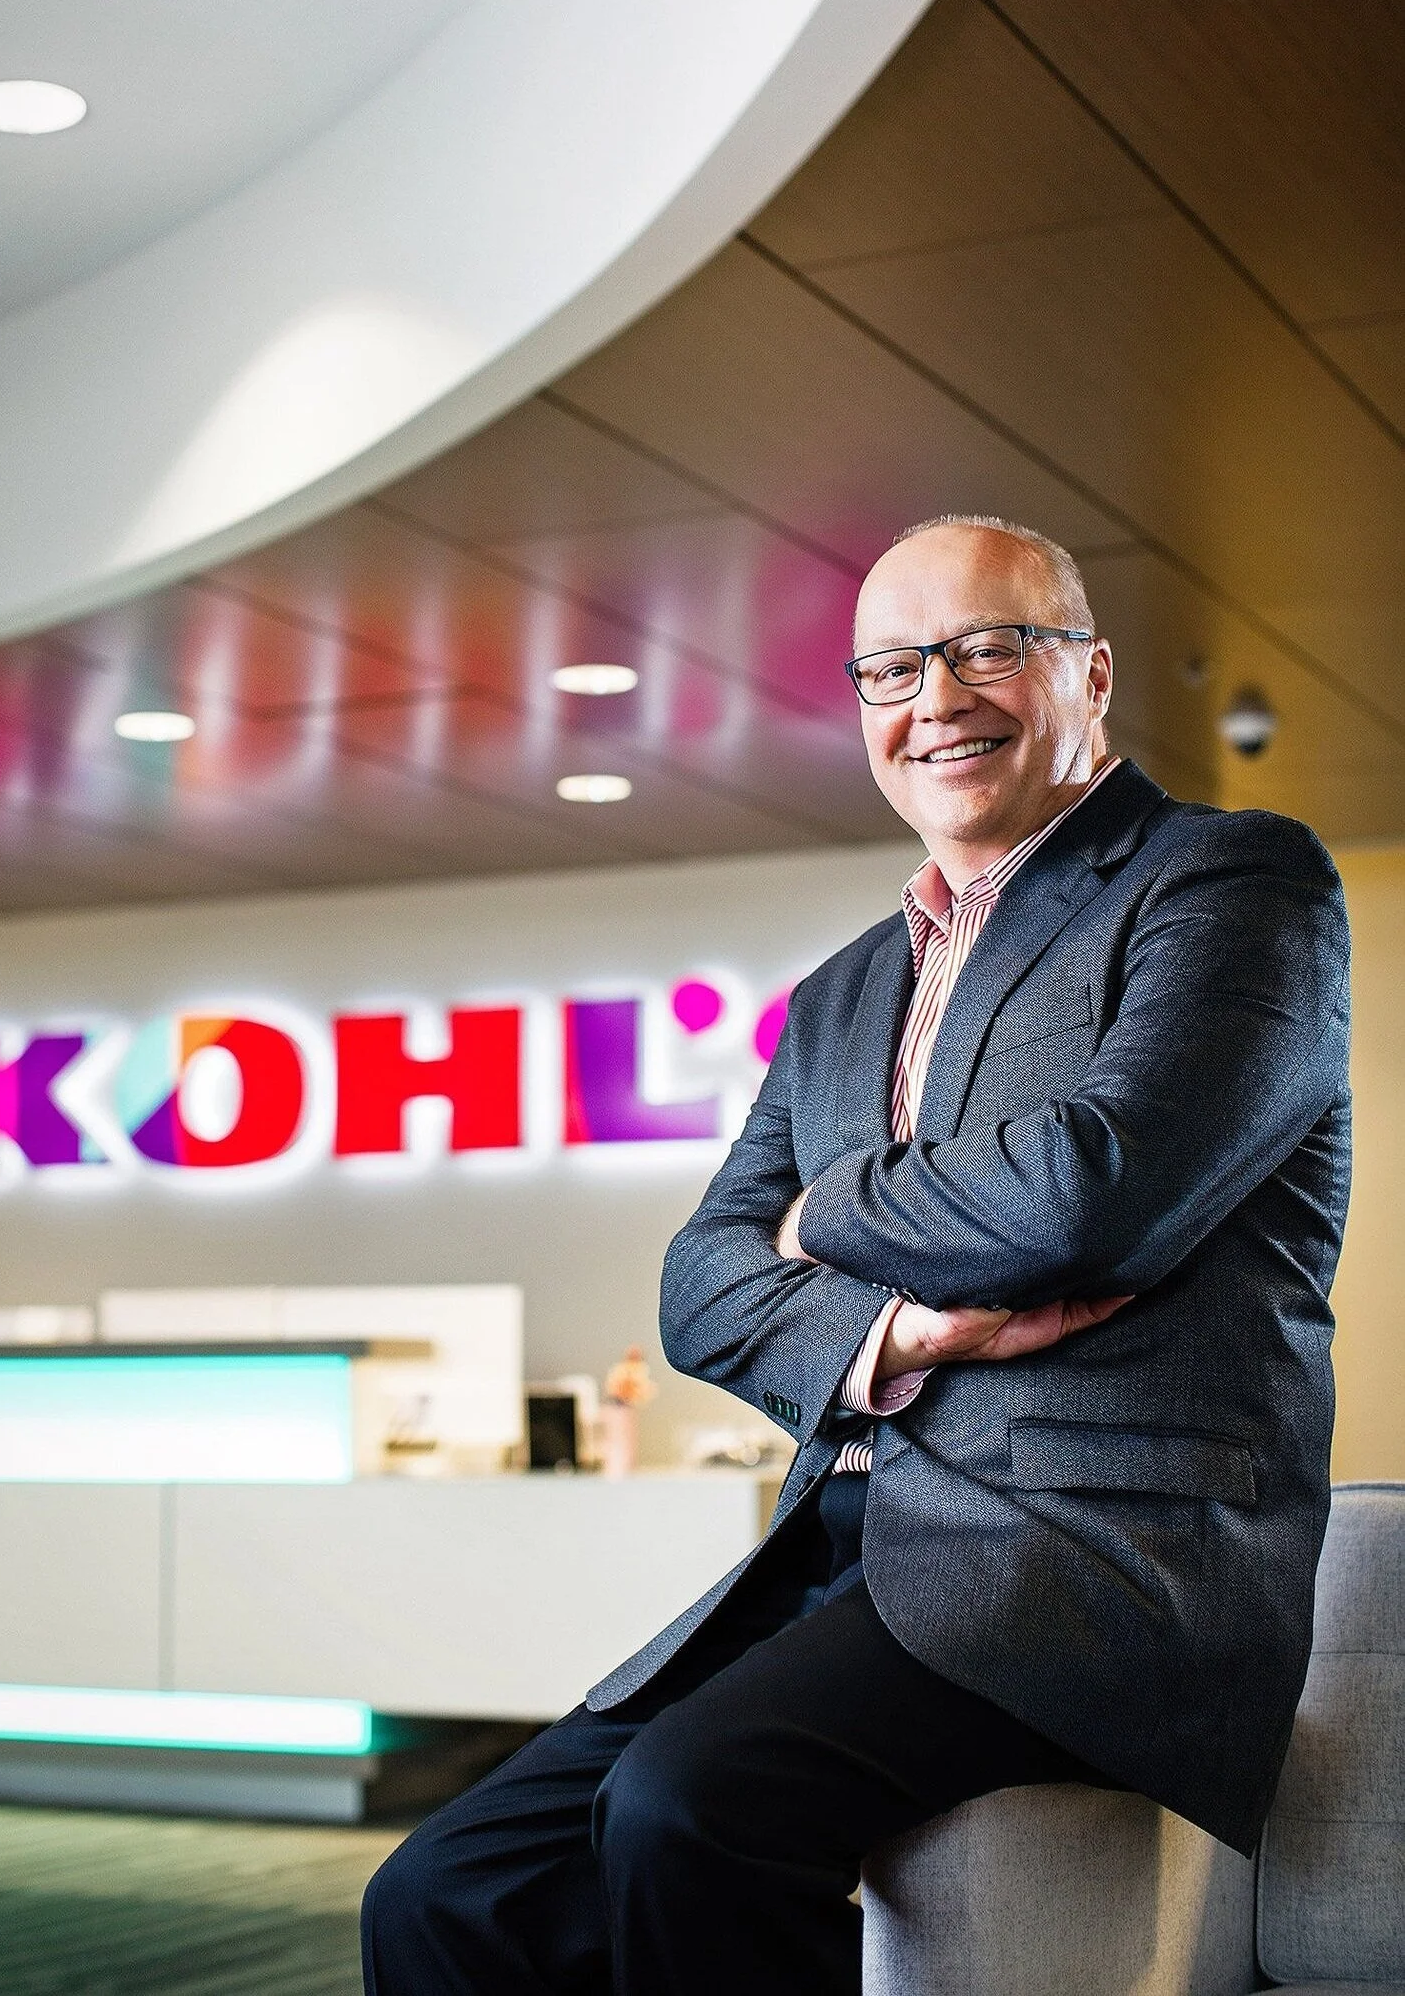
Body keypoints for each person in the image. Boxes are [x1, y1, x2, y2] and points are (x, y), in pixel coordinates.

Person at [361, 515, 1351, 1996]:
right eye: (893, 667)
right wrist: (904, 1330)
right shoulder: (843, 993)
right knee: (447, 1893)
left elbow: (1091, 1194)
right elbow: (700, 1282)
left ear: (1090, 673)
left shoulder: (1230, 883)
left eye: (987, 649)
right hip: (842, 1546)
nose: (936, 697)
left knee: (689, 1811)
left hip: (1101, 1559)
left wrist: (822, 1210)